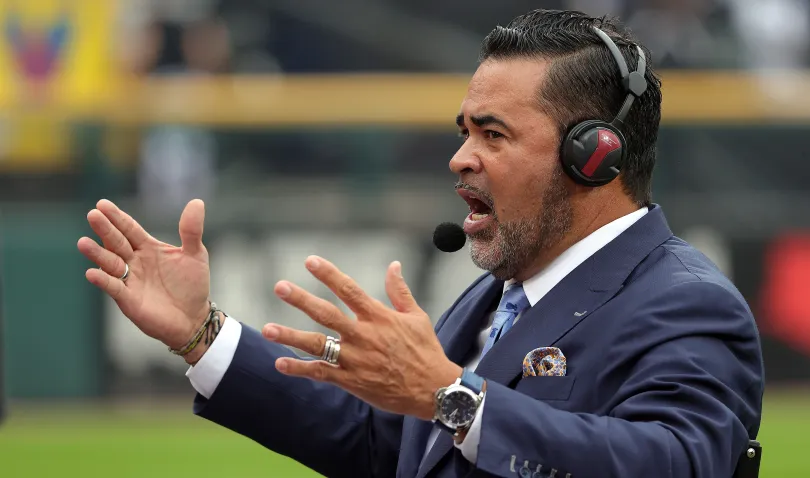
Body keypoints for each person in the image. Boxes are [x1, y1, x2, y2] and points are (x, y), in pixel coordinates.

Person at [77, 10, 764, 478]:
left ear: (595, 155)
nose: (460, 158)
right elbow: (390, 444)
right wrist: (201, 336)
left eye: (493, 135)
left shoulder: (688, 304)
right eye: (464, 131)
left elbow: (674, 462)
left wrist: (451, 394)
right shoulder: (501, 294)